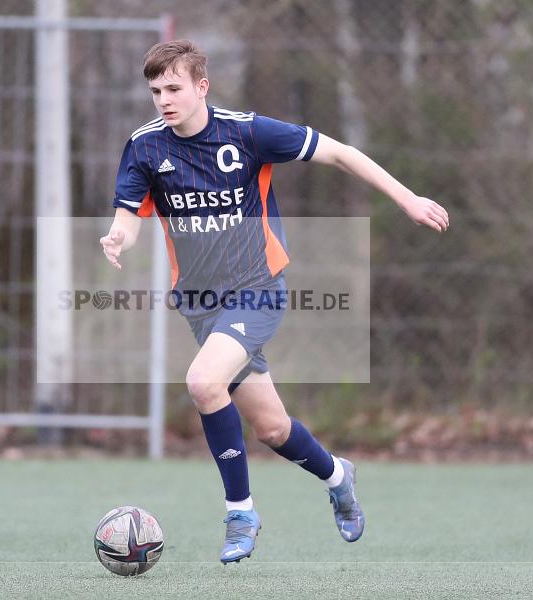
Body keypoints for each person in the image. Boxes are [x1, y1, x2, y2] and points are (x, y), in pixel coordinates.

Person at [100, 40, 449, 564]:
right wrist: (117, 238)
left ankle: (240, 512)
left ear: (201, 86)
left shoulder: (246, 132)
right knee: (272, 428)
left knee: (202, 381)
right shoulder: (147, 146)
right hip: (201, 304)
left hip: (256, 289)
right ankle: (338, 475)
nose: (164, 99)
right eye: (155, 90)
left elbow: (340, 152)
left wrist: (407, 199)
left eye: (174, 88)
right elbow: (129, 213)